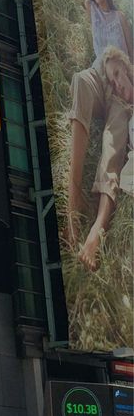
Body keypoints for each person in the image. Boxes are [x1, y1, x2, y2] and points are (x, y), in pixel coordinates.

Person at [66, 0, 133, 251]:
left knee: (112, 141)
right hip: (97, 73)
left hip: (118, 84)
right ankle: (73, 194)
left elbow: (131, 60)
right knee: (79, 80)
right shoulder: (89, 9)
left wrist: (126, 86)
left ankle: (98, 226)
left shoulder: (121, 18)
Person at [79, 48, 134, 270]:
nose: (118, 84)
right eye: (112, 82)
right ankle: (98, 228)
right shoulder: (118, 105)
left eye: (118, 74)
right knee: (110, 143)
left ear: (126, 67)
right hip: (125, 125)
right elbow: (111, 149)